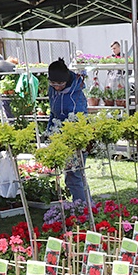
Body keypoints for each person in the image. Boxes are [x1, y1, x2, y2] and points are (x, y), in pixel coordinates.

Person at [46, 57, 89, 203]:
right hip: (60, 136)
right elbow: (53, 112)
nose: (56, 87)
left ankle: (84, 208)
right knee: (72, 176)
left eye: (60, 84)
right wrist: (50, 133)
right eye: (53, 83)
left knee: (75, 175)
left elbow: (80, 121)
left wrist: (70, 141)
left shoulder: (77, 96)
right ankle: (83, 206)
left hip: (75, 137)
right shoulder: (52, 90)